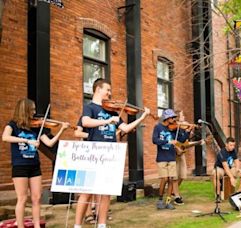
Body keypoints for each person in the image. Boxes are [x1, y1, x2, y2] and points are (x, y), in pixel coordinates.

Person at [74, 78, 150, 228]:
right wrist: (108, 122)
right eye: (107, 90)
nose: (110, 93)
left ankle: (101, 224)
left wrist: (142, 117)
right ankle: (77, 225)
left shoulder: (112, 111)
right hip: (94, 153)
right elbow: (86, 122)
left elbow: (126, 129)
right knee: (87, 191)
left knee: (106, 191)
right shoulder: (90, 108)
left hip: (110, 154)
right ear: (98, 89)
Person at [2, 98, 69, 228]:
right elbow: (5, 137)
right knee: (22, 198)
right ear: (24, 110)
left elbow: (49, 143)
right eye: (32, 109)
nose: (34, 112)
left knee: (36, 198)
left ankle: (37, 225)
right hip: (20, 166)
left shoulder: (37, 127)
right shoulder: (13, 125)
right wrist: (28, 141)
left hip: (34, 166)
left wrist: (62, 130)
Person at [153, 109, 188, 209]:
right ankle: (160, 200)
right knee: (164, 179)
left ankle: (168, 201)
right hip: (162, 157)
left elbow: (181, 140)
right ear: (167, 118)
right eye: (172, 118)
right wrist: (168, 142)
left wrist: (187, 131)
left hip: (171, 157)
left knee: (171, 179)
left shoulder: (173, 129)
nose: (174, 119)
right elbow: (154, 140)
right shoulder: (158, 127)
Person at [212, 137, 241, 201]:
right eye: (231, 145)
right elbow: (225, 167)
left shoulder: (233, 151)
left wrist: (237, 169)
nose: (232, 147)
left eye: (233, 145)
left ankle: (239, 192)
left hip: (230, 168)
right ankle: (218, 195)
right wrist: (232, 178)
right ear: (226, 144)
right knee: (215, 175)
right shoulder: (222, 153)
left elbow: (236, 161)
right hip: (220, 168)